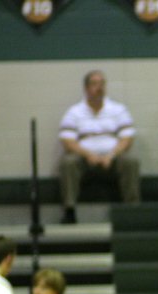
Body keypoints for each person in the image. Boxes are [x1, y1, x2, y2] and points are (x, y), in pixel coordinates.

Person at [58, 70, 140, 224]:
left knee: (131, 161)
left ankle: (132, 209)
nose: (99, 87)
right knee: (68, 162)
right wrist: (88, 155)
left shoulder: (118, 109)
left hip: (112, 158)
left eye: (102, 83)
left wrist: (112, 155)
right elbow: (68, 141)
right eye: (95, 84)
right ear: (86, 88)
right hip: (85, 158)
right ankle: (69, 211)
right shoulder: (74, 111)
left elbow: (127, 138)